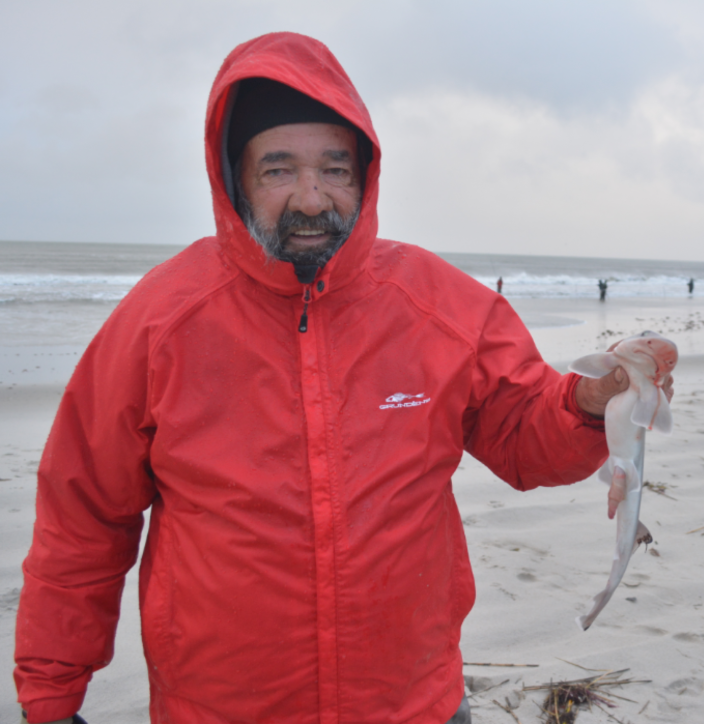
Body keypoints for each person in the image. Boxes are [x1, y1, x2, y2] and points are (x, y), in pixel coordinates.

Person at [13, 33, 660, 724]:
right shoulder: (159, 322)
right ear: (236, 180)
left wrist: (590, 405)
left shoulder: (438, 306)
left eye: (334, 168)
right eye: (279, 169)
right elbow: (83, 519)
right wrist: (52, 697)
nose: (313, 199)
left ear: (364, 176)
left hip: (412, 705)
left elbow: (527, 440)